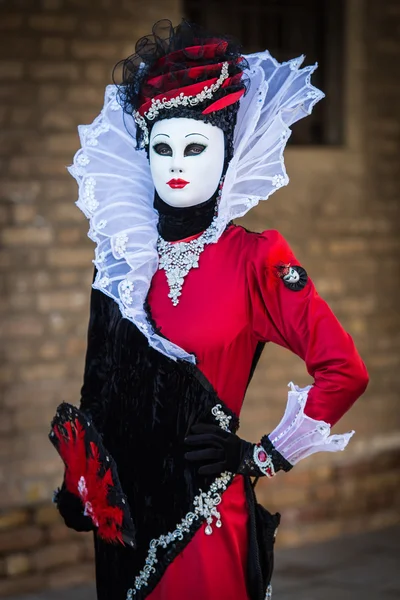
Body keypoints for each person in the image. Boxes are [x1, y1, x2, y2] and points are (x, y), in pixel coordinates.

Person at [50, 19, 369, 600]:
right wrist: (78, 482)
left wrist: (263, 456)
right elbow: (101, 383)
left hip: (204, 520)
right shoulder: (121, 263)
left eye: (195, 148)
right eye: (162, 147)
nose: (177, 163)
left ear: (226, 154)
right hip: (123, 527)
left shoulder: (257, 260)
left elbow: (344, 370)